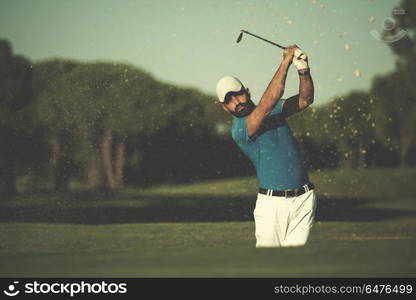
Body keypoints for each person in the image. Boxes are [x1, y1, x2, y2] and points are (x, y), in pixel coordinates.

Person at [216, 45, 317, 247]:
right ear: (224, 107)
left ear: (247, 91)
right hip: (272, 206)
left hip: (305, 198)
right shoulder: (240, 129)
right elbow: (267, 103)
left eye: (237, 94)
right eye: (229, 100)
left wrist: (303, 69)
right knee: (268, 267)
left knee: (297, 267)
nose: (236, 101)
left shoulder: (274, 110)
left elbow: (305, 99)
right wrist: (285, 62)